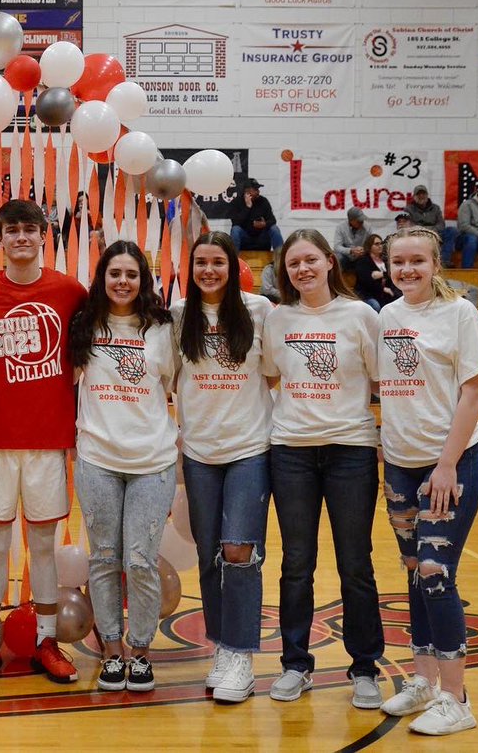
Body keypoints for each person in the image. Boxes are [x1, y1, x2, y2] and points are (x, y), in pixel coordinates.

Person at [0, 198, 88, 685]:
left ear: (43, 235)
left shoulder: (70, 291)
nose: (21, 238)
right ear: (1, 239)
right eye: (12, 230)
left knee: (44, 546)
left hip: (49, 442)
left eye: (30, 229)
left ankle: (47, 641)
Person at [262, 229, 384, 708]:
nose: (303, 270)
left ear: (330, 261)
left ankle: (365, 667)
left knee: (355, 564)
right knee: (296, 564)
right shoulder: (278, 319)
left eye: (310, 260)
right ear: (285, 271)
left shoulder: (360, 315)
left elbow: (381, 380)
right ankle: (295, 664)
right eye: (293, 264)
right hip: (290, 452)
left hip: (351, 450)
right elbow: (272, 375)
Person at [377, 226, 478, 735]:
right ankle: (422, 682)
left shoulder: (461, 313)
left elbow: (474, 391)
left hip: (452, 462)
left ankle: (456, 698)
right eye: (398, 262)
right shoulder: (388, 315)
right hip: (400, 462)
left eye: (417, 261)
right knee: (412, 572)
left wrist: (446, 464)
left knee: (435, 572)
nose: (407, 270)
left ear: (436, 264)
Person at [69, 241, 175, 693]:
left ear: (143, 279)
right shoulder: (85, 325)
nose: (123, 282)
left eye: (131, 274)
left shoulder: (161, 329)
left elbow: (170, 385)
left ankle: (141, 651)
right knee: (105, 558)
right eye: (115, 273)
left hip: (152, 460)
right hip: (97, 459)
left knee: (141, 560)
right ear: (102, 278)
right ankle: (112, 652)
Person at [174, 231, 273, 703]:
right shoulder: (177, 316)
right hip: (199, 452)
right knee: (209, 552)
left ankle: (240, 654)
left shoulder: (259, 312)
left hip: (250, 447)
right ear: (190, 269)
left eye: (218, 262)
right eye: (201, 263)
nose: (209, 270)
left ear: (233, 267)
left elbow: (274, 374)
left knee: (239, 551)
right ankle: (220, 646)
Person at [405, 184, 457, 264]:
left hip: (435, 233)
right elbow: (410, 226)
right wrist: (425, 231)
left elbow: (441, 224)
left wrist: (432, 231)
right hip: (418, 234)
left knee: (452, 230)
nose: (421, 196)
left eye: (423, 194)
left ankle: (444, 261)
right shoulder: (408, 209)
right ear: (414, 196)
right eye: (418, 194)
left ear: (427, 195)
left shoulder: (436, 208)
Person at [228, 179, 282, 253]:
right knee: (235, 230)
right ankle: (233, 260)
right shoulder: (237, 202)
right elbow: (236, 222)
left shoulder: (263, 201)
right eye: (255, 189)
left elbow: (273, 220)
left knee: (274, 229)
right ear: (247, 192)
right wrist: (248, 207)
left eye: (258, 189)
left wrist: (264, 224)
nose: (258, 192)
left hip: (261, 237)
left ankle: (280, 258)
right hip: (245, 237)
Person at [353, 234, 399, 312]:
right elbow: (366, 281)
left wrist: (381, 274)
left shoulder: (385, 260)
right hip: (367, 294)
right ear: (369, 246)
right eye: (377, 244)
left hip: (384, 293)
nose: (380, 246)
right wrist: (383, 288)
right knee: (376, 306)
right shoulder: (363, 260)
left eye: (381, 243)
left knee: (397, 302)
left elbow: (391, 275)